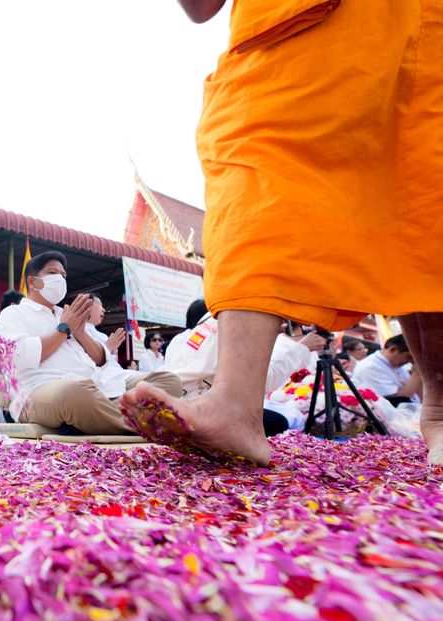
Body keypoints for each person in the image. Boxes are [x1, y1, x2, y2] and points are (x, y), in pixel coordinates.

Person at [123, 1, 443, 466]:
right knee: (254, 178)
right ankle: (233, 403)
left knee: (420, 185)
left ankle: (439, 408)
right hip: (283, 28)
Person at [0, 250, 181, 435]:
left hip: (98, 388)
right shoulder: (14, 314)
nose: (60, 278)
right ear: (32, 281)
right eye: (52, 273)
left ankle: (101, 419)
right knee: (77, 393)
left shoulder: (67, 313)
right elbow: (19, 356)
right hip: (41, 392)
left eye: (63, 275)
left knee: (167, 381)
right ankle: (148, 425)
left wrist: (81, 333)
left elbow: (100, 360)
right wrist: (64, 329)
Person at [164, 299, 326, 435]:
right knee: (278, 422)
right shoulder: (250, 320)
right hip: (195, 407)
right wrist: (302, 348)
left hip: (177, 397)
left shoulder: (218, 313)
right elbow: (259, 381)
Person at [352, 335, 422, 407]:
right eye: (409, 357)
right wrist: (417, 374)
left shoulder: (397, 364)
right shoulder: (369, 367)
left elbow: (417, 394)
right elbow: (399, 399)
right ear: (393, 350)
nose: (411, 361)